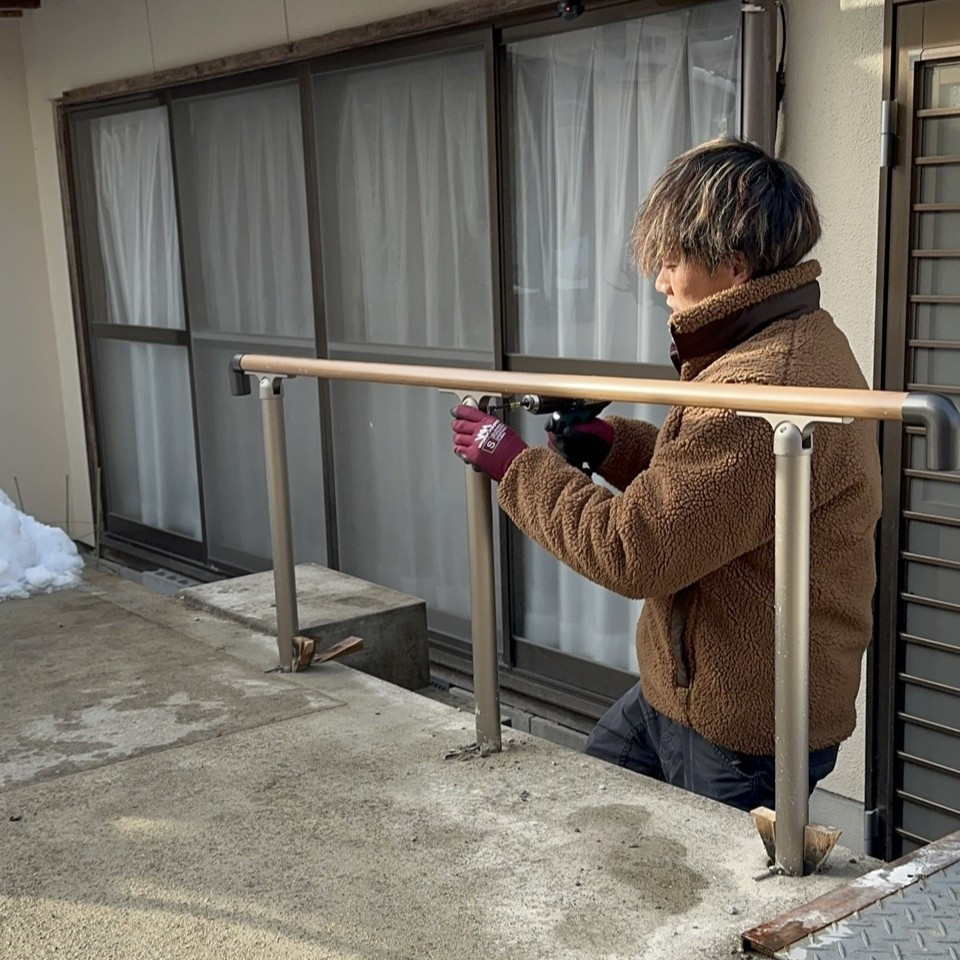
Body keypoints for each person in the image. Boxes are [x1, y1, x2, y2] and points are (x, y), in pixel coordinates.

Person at [450, 137, 882, 813]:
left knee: (695, 879)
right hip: (687, 689)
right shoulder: (778, 338)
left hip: (740, 725)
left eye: (672, 261)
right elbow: (721, 500)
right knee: (598, 821)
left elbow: (636, 549)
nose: (660, 281)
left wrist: (511, 464)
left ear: (734, 267)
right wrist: (610, 446)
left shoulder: (761, 388)